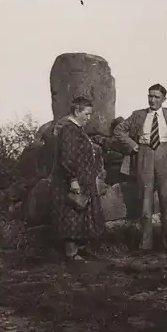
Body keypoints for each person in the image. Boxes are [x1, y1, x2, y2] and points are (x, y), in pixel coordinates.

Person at [113, 83, 167, 256]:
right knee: (145, 203)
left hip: (166, 154)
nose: (152, 100)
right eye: (150, 96)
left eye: (156, 97)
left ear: (164, 99)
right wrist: (133, 145)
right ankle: (145, 246)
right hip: (144, 154)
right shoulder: (138, 115)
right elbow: (119, 130)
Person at [51, 97, 105, 261]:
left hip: (83, 179)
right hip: (72, 180)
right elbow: (67, 158)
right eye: (87, 114)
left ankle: (79, 250)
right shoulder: (69, 130)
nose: (89, 118)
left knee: (80, 214)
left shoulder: (77, 130)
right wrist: (73, 179)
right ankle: (71, 253)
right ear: (77, 112)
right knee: (71, 214)